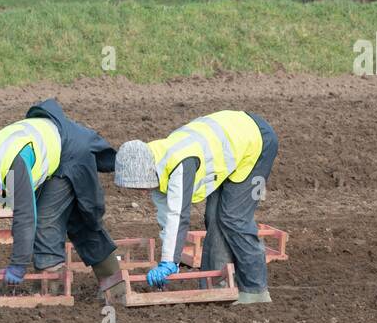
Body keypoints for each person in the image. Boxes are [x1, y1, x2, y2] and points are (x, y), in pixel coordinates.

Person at [0, 99, 120, 297]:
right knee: (64, 217)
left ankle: (57, 289)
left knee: (48, 220)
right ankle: (105, 282)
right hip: (48, 151)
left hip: (70, 150)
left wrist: (18, 265)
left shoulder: (13, 164)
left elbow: (26, 216)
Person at [113, 110, 278, 304]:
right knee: (214, 217)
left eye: (140, 186)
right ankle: (215, 285)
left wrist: (169, 263)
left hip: (255, 141)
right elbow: (167, 220)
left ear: (148, 173)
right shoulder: (153, 164)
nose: (141, 192)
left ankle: (255, 290)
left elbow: (178, 215)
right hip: (229, 145)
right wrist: (168, 259)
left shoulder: (180, 163)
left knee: (234, 217)